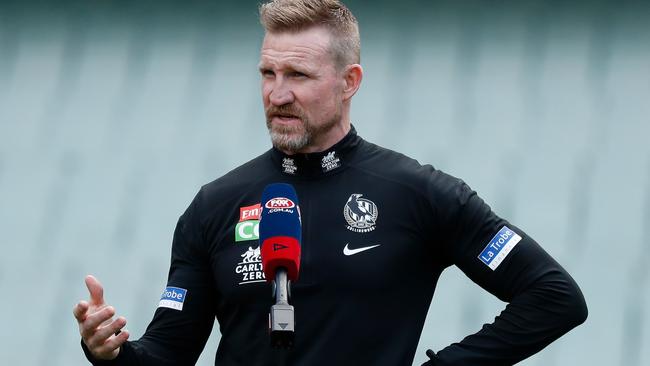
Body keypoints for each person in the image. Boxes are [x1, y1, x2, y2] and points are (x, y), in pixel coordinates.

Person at [73, 0, 588, 365]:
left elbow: (553, 296)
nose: (277, 95)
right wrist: (110, 353)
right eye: (267, 74)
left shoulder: (421, 194)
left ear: (349, 82)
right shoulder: (215, 205)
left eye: (297, 76)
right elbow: (167, 352)